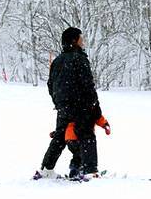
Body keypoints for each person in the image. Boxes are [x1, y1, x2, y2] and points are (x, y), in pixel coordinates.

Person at [35, 27, 105, 179]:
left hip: (63, 107)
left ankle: (45, 170)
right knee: (87, 135)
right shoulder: (79, 59)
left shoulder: (57, 61)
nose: (83, 41)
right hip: (81, 105)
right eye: (81, 38)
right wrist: (95, 109)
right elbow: (88, 86)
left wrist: (60, 102)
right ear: (74, 41)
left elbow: (50, 85)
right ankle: (90, 171)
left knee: (60, 137)